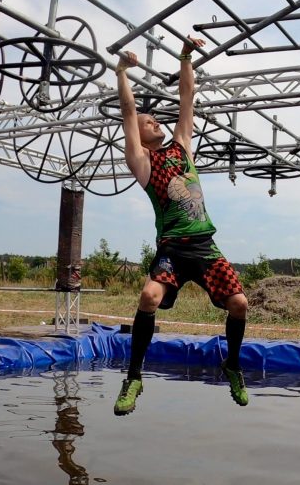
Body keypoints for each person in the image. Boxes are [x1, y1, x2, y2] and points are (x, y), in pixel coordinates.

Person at [113, 36, 249, 416]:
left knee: (239, 304)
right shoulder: (142, 163)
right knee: (148, 298)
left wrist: (186, 55)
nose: (153, 121)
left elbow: (187, 97)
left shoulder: (181, 146)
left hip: (205, 247)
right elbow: (128, 111)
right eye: (147, 122)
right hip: (172, 248)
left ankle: (233, 366)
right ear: (138, 137)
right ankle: (134, 377)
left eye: (155, 120)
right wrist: (122, 72)